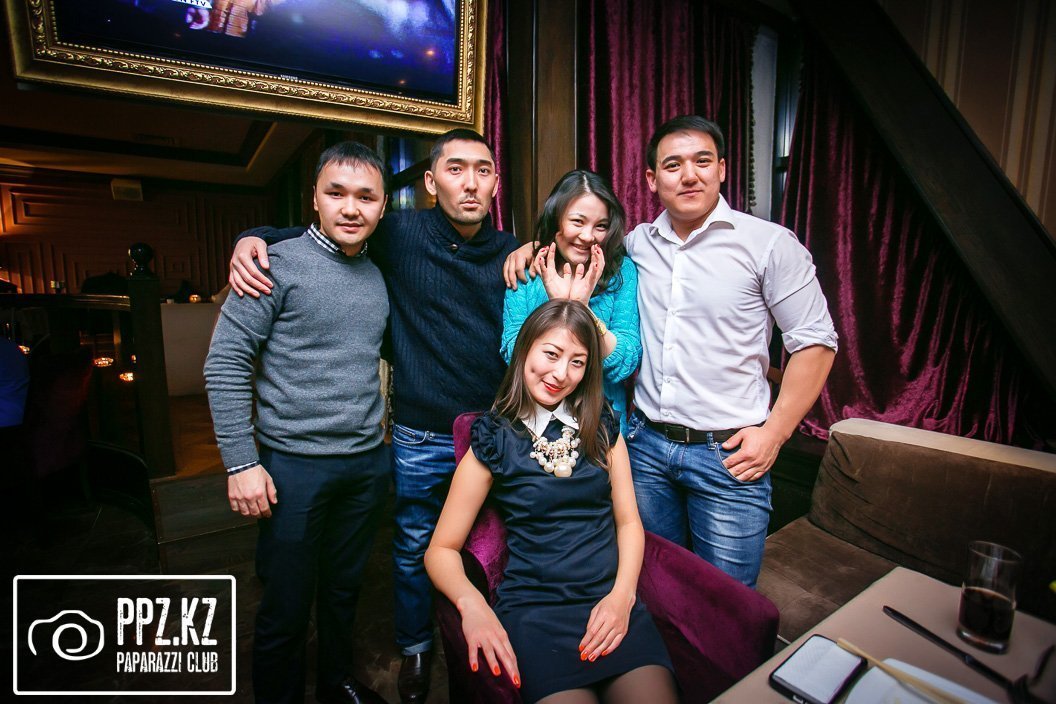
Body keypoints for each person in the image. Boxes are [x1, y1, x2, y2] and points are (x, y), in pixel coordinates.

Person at [227, 128, 518, 703]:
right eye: (455, 169)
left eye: (482, 170)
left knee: (490, 546)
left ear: (494, 183)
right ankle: (416, 649)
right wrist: (249, 238)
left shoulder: (513, 254)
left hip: (483, 434)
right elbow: (321, 233)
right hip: (410, 434)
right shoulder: (396, 235)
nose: (470, 182)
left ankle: (484, 647)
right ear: (430, 183)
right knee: (407, 549)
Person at [504, 116, 837, 588]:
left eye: (703, 161)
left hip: (728, 455)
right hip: (644, 448)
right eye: (673, 164)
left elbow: (816, 341)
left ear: (722, 169)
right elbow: (579, 239)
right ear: (652, 178)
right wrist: (531, 247)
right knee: (655, 589)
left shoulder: (768, 245)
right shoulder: (637, 246)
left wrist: (775, 433)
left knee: (725, 600)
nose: (689, 175)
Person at [205, 141, 390, 704]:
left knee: (344, 590)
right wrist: (241, 462)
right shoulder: (272, 264)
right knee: (285, 603)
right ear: (314, 198)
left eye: (366, 197)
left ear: (383, 206)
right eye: (336, 193)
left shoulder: (377, 275)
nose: (350, 208)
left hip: (364, 462)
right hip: (293, 467)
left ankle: (336, 683)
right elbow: (225, 362)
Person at [425, 299, 677, 704]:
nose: (561, 374)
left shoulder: (602, 424)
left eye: (577, 362)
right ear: (525, 349)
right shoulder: (494, 437)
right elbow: (440, 549)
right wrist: (473, 606)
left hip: (607, 604)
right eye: (552, 354)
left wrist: (622, 597)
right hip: (535, 614)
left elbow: (629, 522)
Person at [501, 170, 641, 434]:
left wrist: (580, 308)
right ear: (556, 219)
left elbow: (625, 361)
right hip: (532, 426)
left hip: (601, 426)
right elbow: (512, 353)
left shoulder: (622, 272)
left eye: (601, 226)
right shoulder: (529, 269)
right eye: (578, 221)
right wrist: (559, 308)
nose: (588, 236)